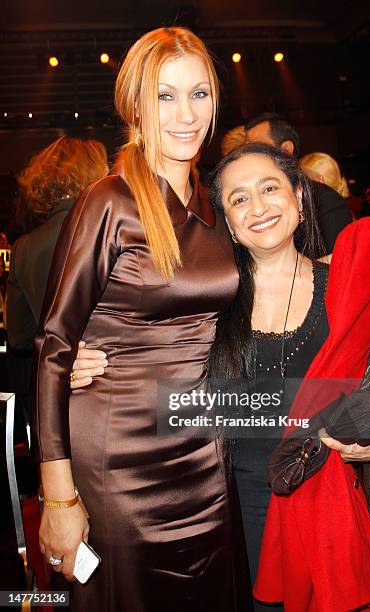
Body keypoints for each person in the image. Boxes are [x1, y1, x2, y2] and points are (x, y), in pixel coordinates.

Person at [31, 27, 251, 612]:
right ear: (135, 103)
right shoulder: (110, 200)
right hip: (119, 455)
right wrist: (57, 499)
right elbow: (55, 347)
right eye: (164, 95)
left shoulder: (213, 204)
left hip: (205, 449)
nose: (185, 114)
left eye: (199, 94)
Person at [206, 142, 370, 611]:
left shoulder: (348, 292)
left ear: (298, 195)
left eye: (269, 188)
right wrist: (93, 360)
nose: (258, 207)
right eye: (238, 199)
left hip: (329, 514)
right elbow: (152, 370)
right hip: (233, 513)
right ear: (228, 223)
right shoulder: (208, 306)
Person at [7, 136, 109, 350]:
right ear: (95, 175)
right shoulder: (108, 231)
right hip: (107, 371)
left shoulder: (23, 249)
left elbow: (19, 338)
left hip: (52, 375)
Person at [245, 113, 352, 258]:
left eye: (257, 148)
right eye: (247, 149)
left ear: (287, 149)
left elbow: (339, 264)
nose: (249, 156)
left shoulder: (325, 200)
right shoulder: (256, 207)